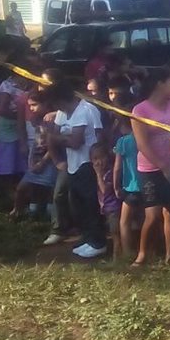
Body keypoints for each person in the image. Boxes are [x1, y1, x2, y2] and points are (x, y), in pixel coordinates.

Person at [42, 79, 106, 259]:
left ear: (59, 100)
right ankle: (88, 238)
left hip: (88, 163)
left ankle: (98, 242)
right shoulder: (63, 113)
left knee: (90, 204)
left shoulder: (86, 111)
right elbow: (53, 135)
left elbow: (76, 142)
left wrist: (58, 137)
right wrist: (60, 142)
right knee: (77, 204)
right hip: (72, 164)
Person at [131, 68, 170, 266]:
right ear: (159, 84)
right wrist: (163, 167)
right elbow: (142, 144)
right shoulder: (140, 110)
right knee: (152, 215)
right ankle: (142, 253)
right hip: (150, 169)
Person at [11, 93, 57, 221]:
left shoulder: (53, 120)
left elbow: (53, 146)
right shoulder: (36, 120)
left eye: (34, 105)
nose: (31, 108)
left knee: (51, 191)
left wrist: (42, 162)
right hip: (36, 158)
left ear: (45, 104)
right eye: (29, 105)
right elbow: (35, 144)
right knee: (21, 188)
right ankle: (16, 211)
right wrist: (31, 161)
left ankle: (53, 219)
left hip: (50, 159)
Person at [111, 107, 142, 262]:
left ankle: (127, 251)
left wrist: (116, 186)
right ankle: (149, 249)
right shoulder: (143, 138)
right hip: (147, 184)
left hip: (130, 187)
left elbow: (117, 168)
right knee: (146, 219)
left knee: (124, 221)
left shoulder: (123, 141)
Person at [90, 142, 122, 254]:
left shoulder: (110, 173)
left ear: (107, 157)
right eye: (95, 158)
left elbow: (105, 190)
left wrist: (98, 175)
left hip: (114, 209)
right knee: (113, 233)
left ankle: (116, 260)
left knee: (116, 235)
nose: (99, 161)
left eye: (101, 157)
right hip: (107, 210)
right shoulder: (103, 173)